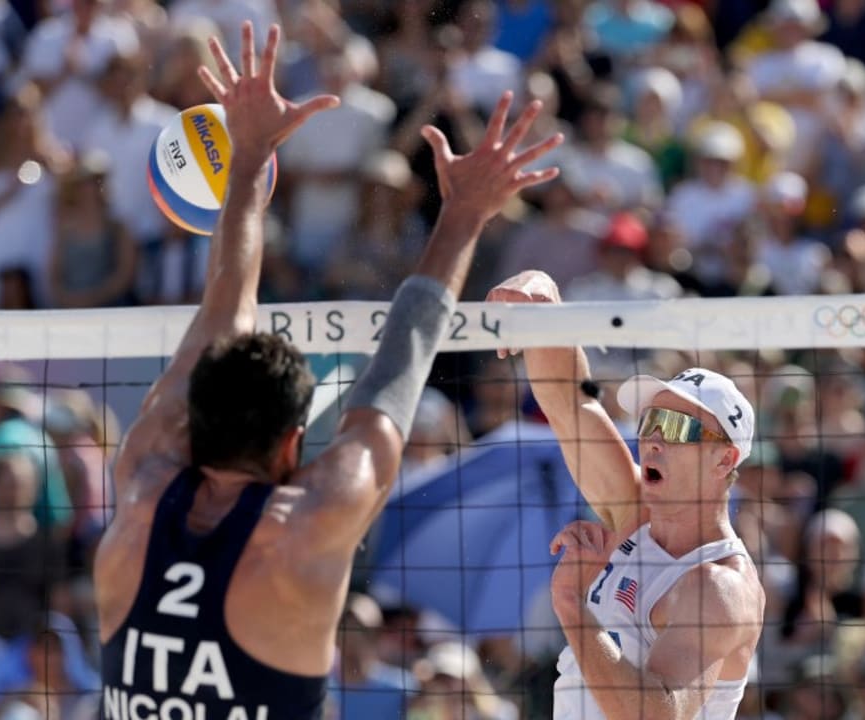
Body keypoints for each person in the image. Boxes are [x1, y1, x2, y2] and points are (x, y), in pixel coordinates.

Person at [92, 22, 563, 720]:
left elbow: (226, 304)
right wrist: (463, 213)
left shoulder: (139, 482)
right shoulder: (306, 528)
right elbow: (397, 368)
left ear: (188, 415)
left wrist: (246, 159)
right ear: (291, 444)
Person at [487, 270, 764, 719]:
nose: (652, 440)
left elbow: (657, 714)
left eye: (675, 429)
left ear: (724, 460)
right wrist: (544, 303)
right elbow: (571, 401)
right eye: (649, 423)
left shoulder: (719, 587)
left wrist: (572, 607)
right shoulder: (634, 513)